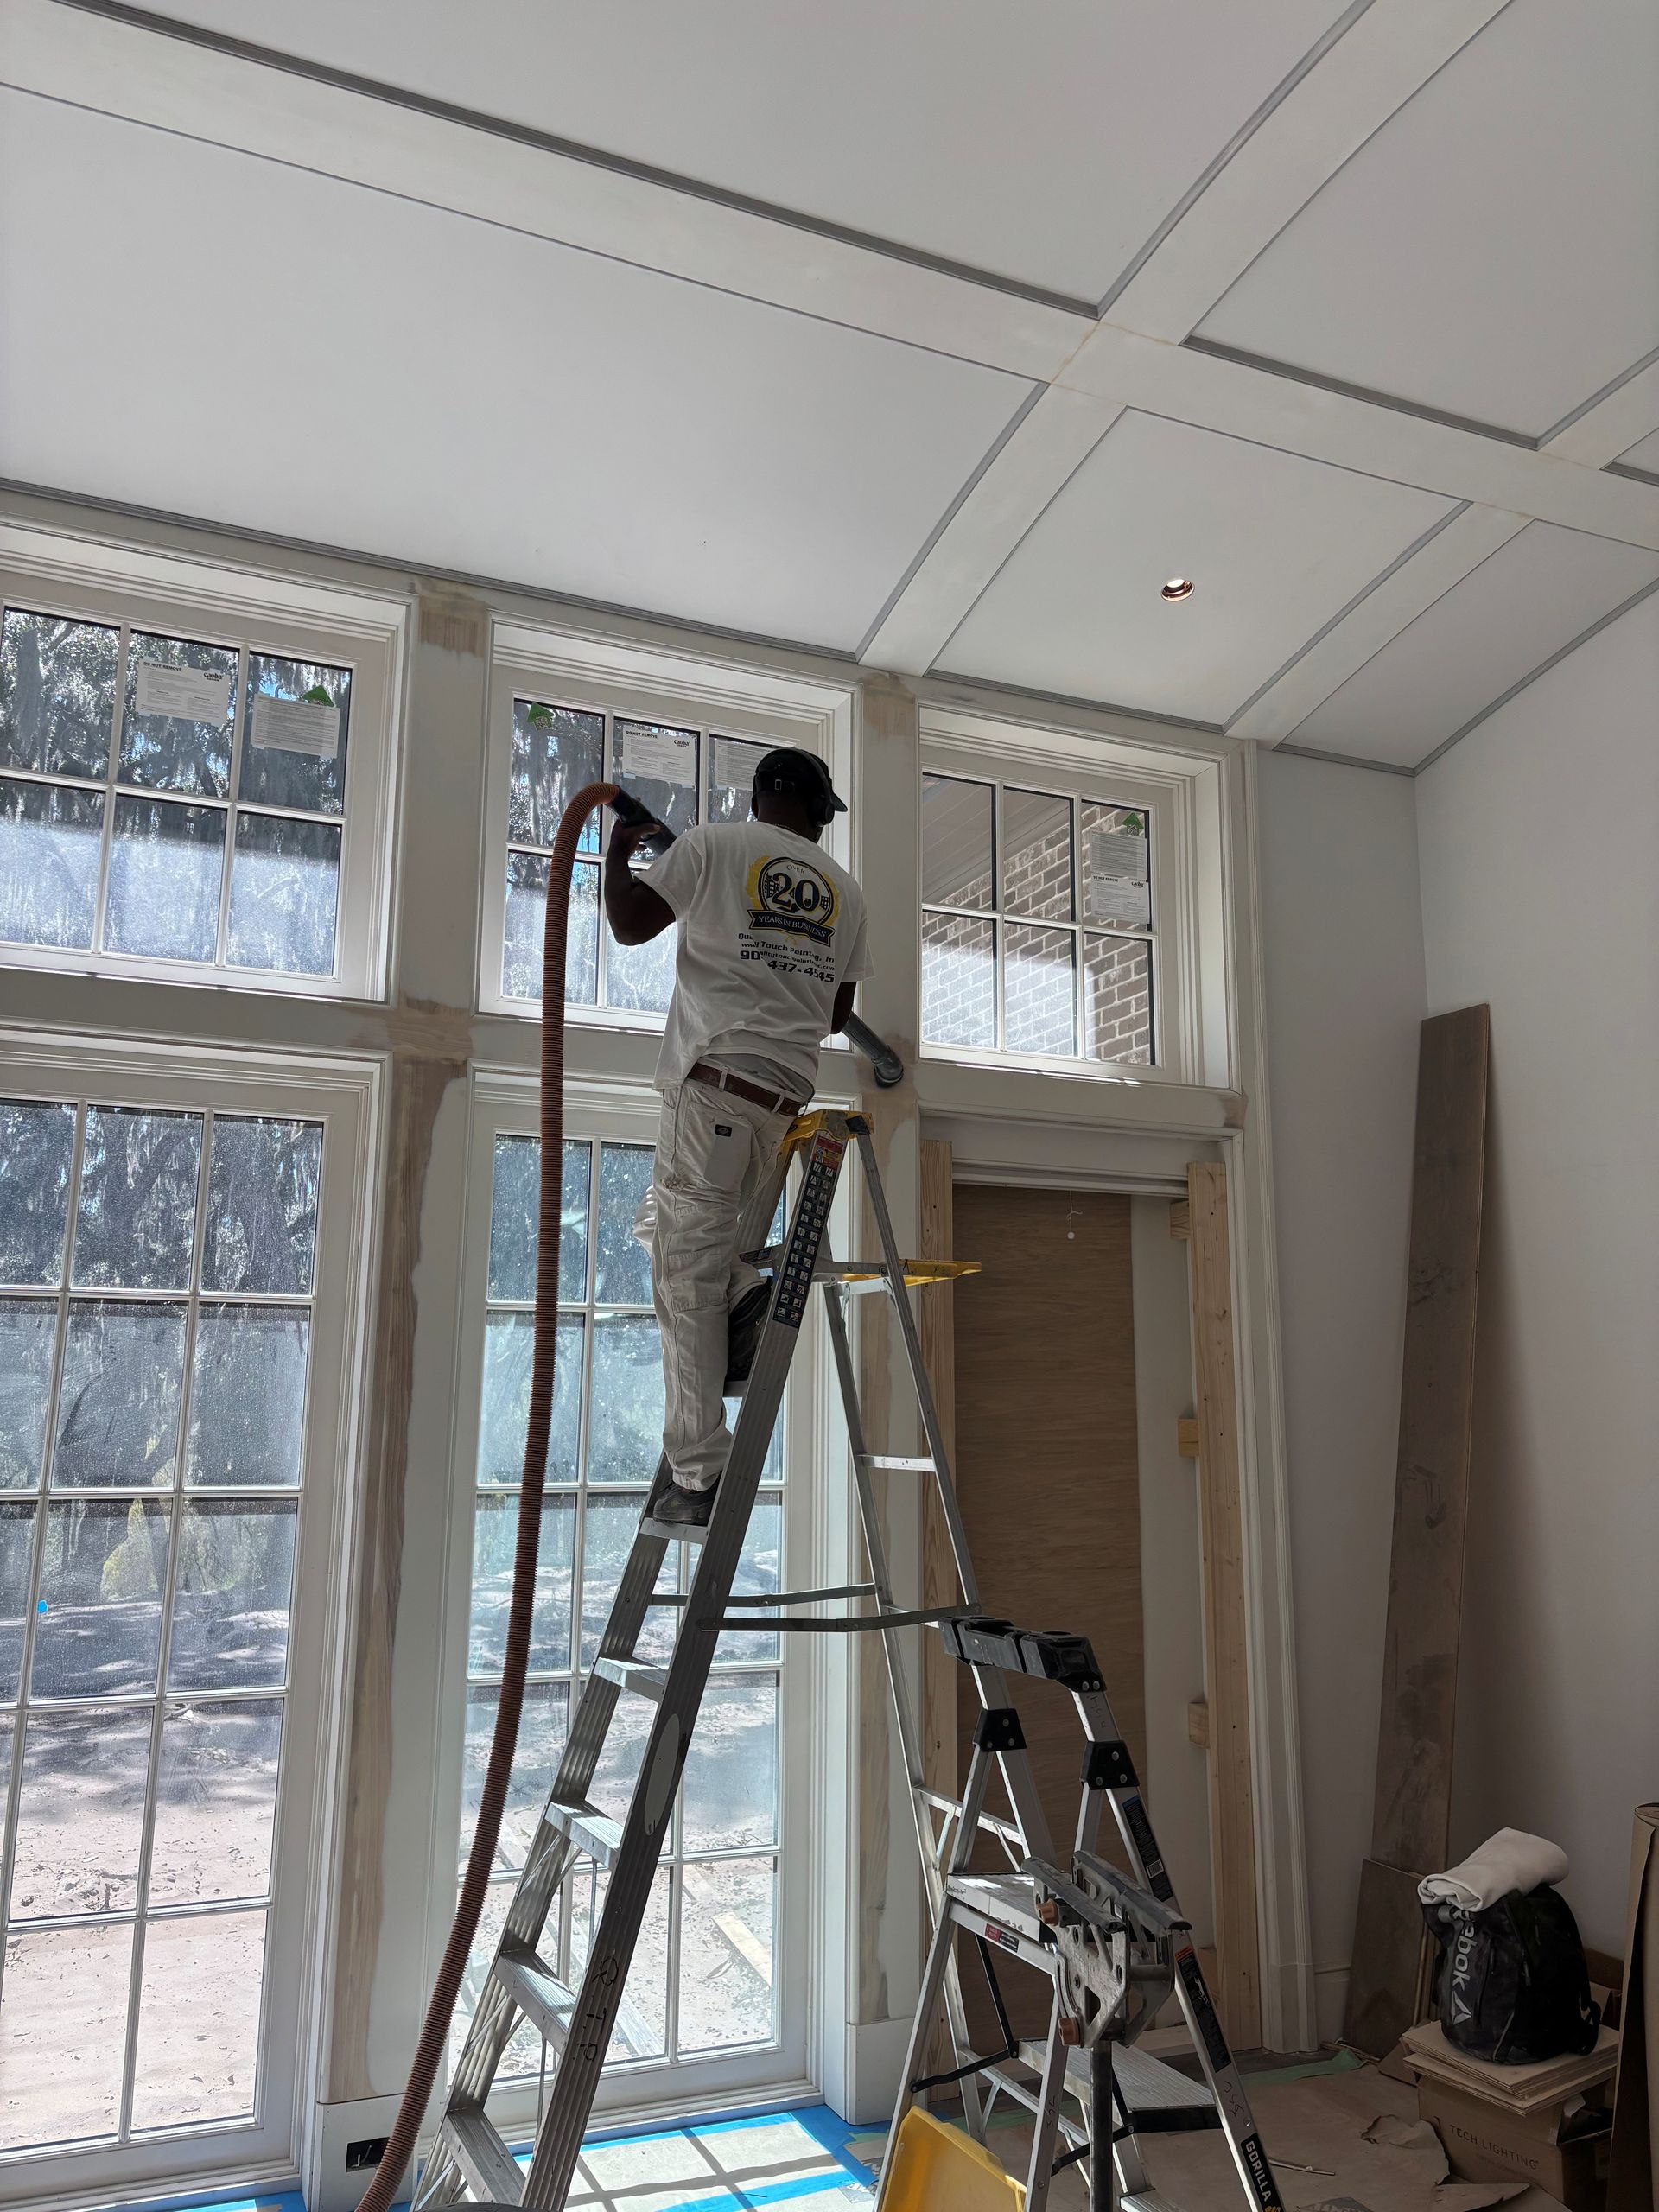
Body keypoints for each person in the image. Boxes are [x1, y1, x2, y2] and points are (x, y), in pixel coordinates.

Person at [603, 747, 872, 1526]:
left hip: (715, 1086)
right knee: (667, 1232)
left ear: (757, 798)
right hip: (781, 1102)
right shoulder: (847, 892)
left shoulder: (713, 846)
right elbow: (832, 1015)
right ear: (818, 811)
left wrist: (618, 857)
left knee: (685, 1277)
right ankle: (746, 1295)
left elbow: (630, 925)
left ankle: (699, 1476)